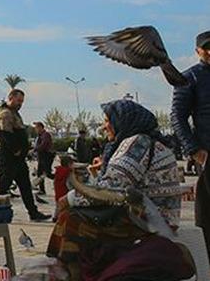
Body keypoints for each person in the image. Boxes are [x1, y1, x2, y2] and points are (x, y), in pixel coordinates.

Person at [47, 100, 193, 281]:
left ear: (123, 121)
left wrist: (68, 199)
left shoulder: (138, 143)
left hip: (146, 222)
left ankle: (67, 275)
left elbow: (111, 189)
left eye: (107, 120)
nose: (103, 126)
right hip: (154, 218)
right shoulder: (151, 143)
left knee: (71, 220)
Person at [172, 29, 210, 255]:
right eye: (206, 47)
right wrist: (194, 150)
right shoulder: (189, 78)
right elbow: (177, 117)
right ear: (198, 51)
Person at [0, 89, 49, 221]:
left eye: (22, 101)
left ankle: (33, 213)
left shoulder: (14, 113)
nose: (20, 104)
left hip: (18, 159)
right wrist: (16, 150)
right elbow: (5, 134)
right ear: (11, 98)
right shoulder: (5, 113)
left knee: (25, 186)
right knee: (3, 187)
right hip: (9, 157)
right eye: (18, 100)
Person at [33, 121, 55, 194]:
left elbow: (44, 145)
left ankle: (61, 179)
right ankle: (42, 190)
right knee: (40, 173)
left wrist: (35, 149)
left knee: (47, 173)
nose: (35, 129)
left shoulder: (46, 135)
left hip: (46, 156)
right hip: (41, 156)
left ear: (40, 127)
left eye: (36, 128)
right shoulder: (39, 136)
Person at [52, 155, 73, 221]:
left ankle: (55, 216)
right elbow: (68, 184)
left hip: (58, 191)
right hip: (64, 192)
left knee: (58, 205)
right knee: (65, 207)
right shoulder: (68, 172)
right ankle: (60, 218)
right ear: (69, 164)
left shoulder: (58, 171)